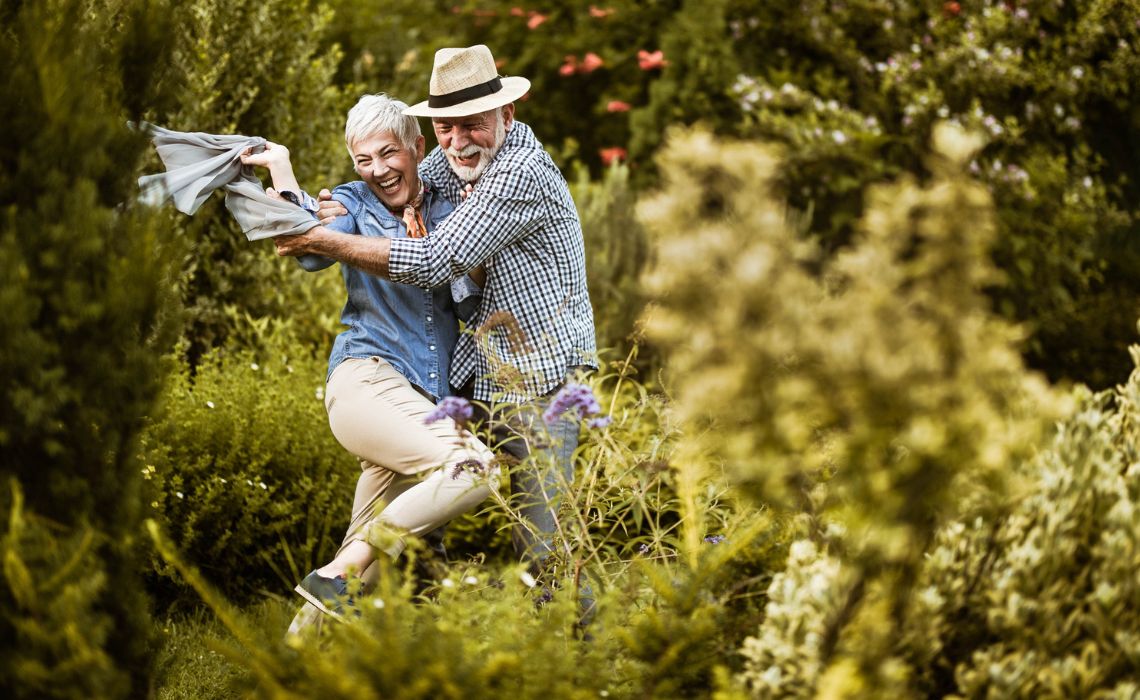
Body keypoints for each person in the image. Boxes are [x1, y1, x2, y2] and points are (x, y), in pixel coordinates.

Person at [277, 45, 599, 619]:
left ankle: (583, 666)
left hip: (541, 384)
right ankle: (360, 637)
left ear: (508, 116)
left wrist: (326, 242)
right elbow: (386, 187)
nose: (458, 141)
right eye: (444, 127)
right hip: (477, 379)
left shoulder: (520, 171)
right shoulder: (447, 162)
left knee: (549, 550)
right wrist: (327, 207)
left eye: (472, 124)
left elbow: (433, 260)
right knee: (424, 539)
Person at [241, 93, 497, 621]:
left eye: (388, 154)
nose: (378, 170)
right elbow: (308, 248)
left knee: (360, 564)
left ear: (416, 147)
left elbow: (473, 294)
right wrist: (284, 168)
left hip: (420, 400)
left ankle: (297, 662)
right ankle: (337, 574)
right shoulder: (352, 204)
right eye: (364, 160)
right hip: (366, 381)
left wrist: (438, 249)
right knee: (474, 469)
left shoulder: (454, 211)